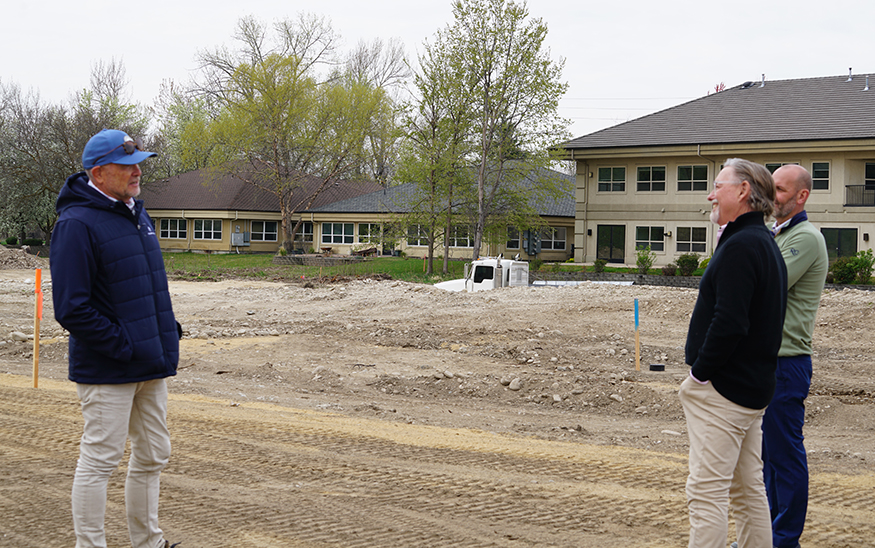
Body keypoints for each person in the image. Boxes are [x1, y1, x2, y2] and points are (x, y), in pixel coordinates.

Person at [51, 129, 181, 548]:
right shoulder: (76, 224)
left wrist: (163, 333)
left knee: (154, 454)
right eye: (127, 166)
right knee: (100, 461)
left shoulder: (135, 213)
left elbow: (144, 287)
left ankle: (149, 543)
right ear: (99, 172)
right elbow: (72, 307)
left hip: (149, 361)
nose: (137, 171)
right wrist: (123, 345)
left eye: (138, 163)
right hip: (109, 367)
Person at [681, 158, 787, 548]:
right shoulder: (762, 242)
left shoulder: (743, 246)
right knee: (747, 490)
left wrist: (699, 375)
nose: (711, 194)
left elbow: (730, 322)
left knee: (706, 492)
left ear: (743, 191)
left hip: (724, 392)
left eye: (718, 186)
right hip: (751, 390)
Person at [762, 164, 828, 548]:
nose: (773, 197)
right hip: (767, 362)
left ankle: (784, 540)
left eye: (781, 190)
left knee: (784, 456)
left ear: (802, 195)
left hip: (787, 364)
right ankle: (766, 534)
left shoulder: (805, 238)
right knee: (767, 458)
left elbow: (766, 283)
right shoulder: (778, 233)